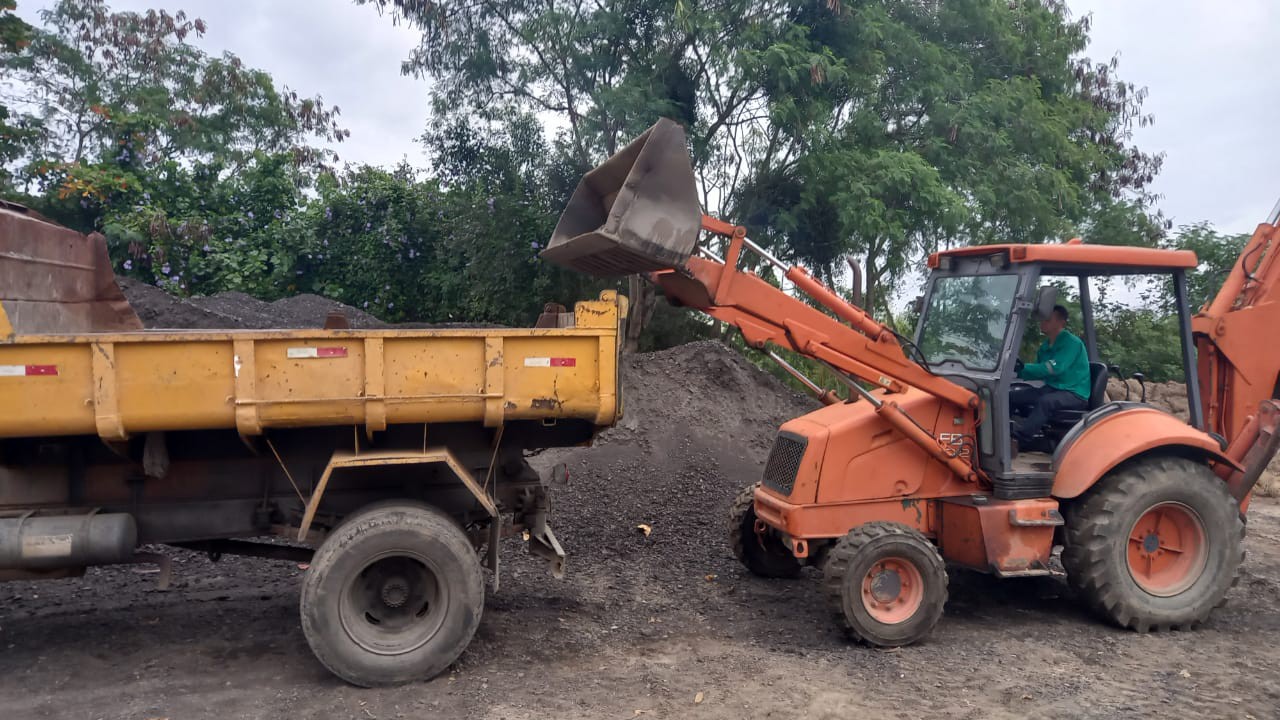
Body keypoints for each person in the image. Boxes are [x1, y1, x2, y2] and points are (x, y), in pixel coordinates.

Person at [1010, 304, 1090, 453]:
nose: (1043, 321)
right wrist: (1018, 372)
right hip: (1053, 389)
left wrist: (1024, 368)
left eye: (1048, 319)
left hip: (1074, 393)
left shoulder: (1072, 343)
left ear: (1061, 323)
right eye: (1043, 318)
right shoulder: (1045, 346)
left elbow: (1054, 368)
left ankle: (1019, 441)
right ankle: (1002, 434)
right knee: (1011, 395)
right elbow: (1038, 370)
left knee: (1046, 402)